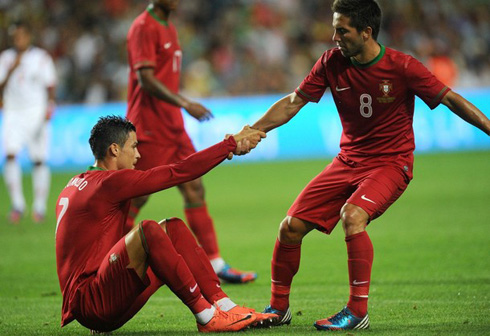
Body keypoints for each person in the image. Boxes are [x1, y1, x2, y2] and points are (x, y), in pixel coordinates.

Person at [250, 0, 490, 331]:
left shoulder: (403, 67)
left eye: (341, 29)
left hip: (391, 164)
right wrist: (254, 129)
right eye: (334, 28)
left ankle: (357, 311)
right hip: (348, 161)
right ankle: (278, 308)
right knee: (289, 228)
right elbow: (293, 103)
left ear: (366, 32)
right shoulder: (331, 62)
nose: (334, 36)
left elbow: (451, 99)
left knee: (353, 216)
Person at [55, 115, 271, 333]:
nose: (138, 155)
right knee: (148, 230)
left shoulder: (75, 184)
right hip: (94, 304)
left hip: (95, 299)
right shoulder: (109, 183)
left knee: (172, 229)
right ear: (114, 150)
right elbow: (179, 171)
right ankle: (206, 317)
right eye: (134, 146)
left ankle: (227, 307)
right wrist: (229, 144)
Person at [125, 0, 256, 284]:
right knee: (137, 195)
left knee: (195, 187)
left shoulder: (169, 27)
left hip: (173, 126)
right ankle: (112, 262)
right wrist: (185, 101)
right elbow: (145, 79)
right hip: (149, 126)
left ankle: (215, 263)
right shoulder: (143, 27)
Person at [0, 21, 56, 223]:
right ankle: (17, 204)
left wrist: (50, 106)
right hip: (13, 111)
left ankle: (39, 207)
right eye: (15, 36)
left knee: (39, 158)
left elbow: (50, 84)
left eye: (22, 36)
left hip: (36, 111)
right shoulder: (5, 58)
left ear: (29, 37)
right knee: (10, 155)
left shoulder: (41, 58)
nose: (19, 40)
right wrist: (11, 69)